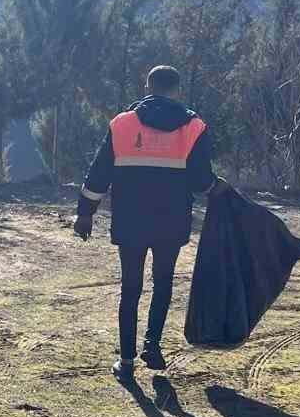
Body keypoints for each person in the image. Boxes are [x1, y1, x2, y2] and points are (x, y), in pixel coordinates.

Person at [73, 65, 223, 383]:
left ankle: (126, 361)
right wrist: (218, 190)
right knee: (163, 282)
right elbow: (200, 180)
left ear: (147, 87)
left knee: (130, 288)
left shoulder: (122, 124)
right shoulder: (194, 127)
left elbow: (99, 173)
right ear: (177, 90)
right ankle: (152, 345)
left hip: (131, 219)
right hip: (172, 220)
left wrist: (85, 212)